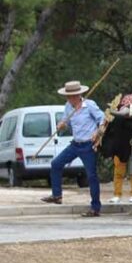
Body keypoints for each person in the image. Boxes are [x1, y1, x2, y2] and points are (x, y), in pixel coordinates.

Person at [40, 81, 104, 217]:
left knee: (91, 176)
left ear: (79, 95)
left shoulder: (90, 105)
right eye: (68, 96)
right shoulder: (68, 107)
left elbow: (103, 119)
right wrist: (61, 125)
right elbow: (65, 123)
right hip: (75, 144)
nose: (69, 99)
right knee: (56, 163)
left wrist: (97, 132)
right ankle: (57, 195)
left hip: (88, 145)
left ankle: (95, 208)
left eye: (72, 96)